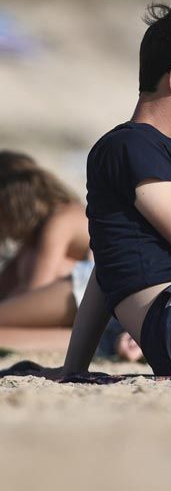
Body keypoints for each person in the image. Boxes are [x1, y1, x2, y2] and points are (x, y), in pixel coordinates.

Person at [0, 151, 142, 360]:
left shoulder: (60, 221)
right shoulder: (34, 242)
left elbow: (34, 293)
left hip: (96, 291)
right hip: (96, 305)